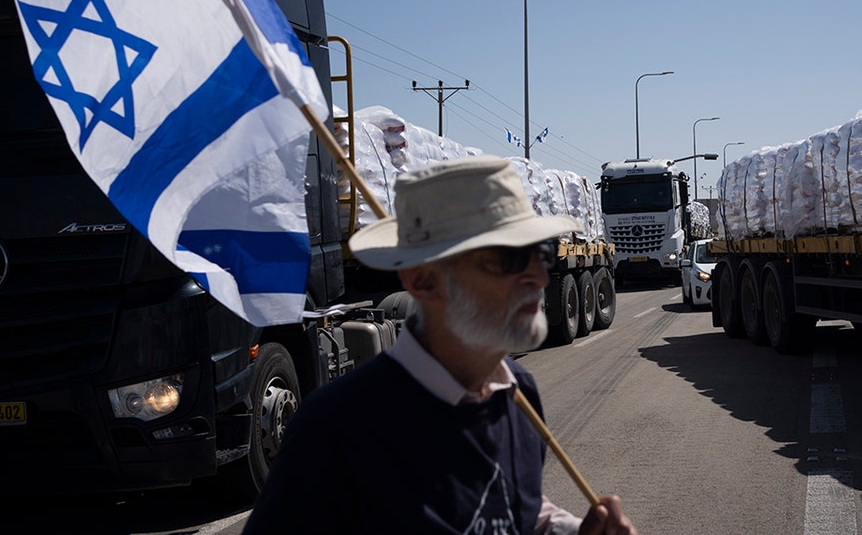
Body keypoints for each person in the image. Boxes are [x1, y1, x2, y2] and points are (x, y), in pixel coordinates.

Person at [242, 155, 638, 535]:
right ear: (423, 280)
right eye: (508, 258)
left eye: (540, 252)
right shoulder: (334, 431)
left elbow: (515, 511)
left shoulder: (518, 394)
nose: (539, 274)